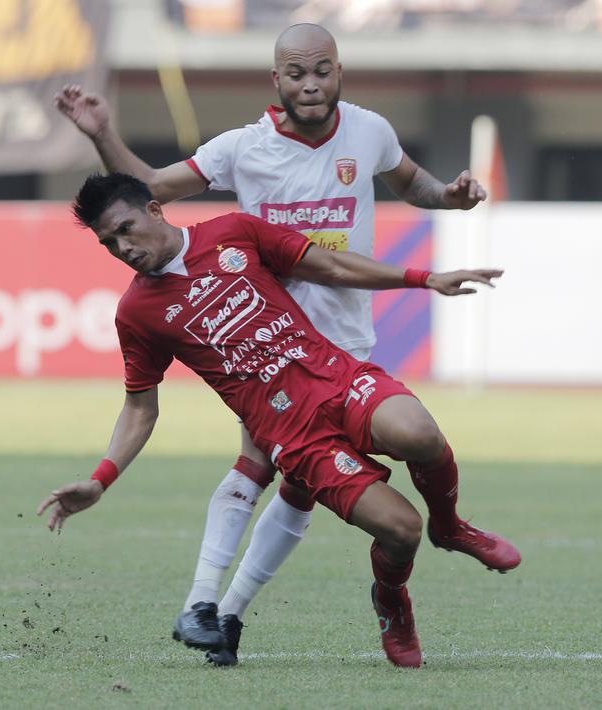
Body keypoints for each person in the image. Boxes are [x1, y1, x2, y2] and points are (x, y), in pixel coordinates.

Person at [54, 23, 501, 666]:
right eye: (297, 73)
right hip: (262, 357)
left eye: (321, 71)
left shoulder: (370, 132)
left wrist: (449, 200)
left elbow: (412, 187)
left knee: (345, 465)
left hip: (340, 338)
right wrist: (101, 132)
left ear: (340, 71)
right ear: (277, 80)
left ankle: (226, 612)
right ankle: (211, 607)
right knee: (268, 468)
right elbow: (145, 188)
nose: (311, 84)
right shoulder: (241, 150)